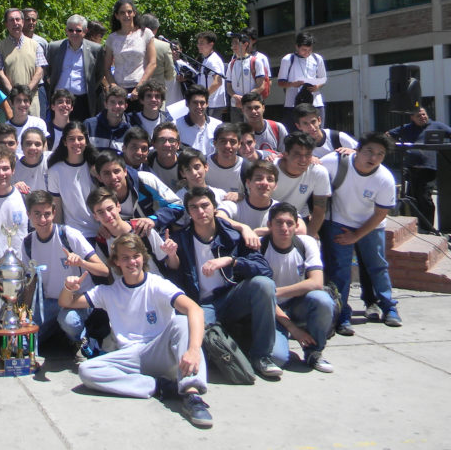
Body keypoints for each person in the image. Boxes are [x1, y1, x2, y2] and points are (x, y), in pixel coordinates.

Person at [63, 234, 212, 428]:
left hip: (162, 350)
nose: (132, 262)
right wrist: (69, 287)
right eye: (125, 257)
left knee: (183, 322)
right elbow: (66, 302)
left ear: (143, 257)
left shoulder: (158, 284)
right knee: (87, 370)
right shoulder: (108, 292)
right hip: (131, 356)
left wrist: (193, 350)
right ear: (116, 262)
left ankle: (192, 395)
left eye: (136, 256)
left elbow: (195, 309)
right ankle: (161, 387)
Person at [168, 187, 282, 379]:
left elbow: (265, 270)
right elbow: (174, 279)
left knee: (264, 285)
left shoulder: (233, 236)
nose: (200, 211)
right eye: (194, 207)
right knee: (199, 341)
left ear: (214, 208)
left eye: (205, 205)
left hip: (231, 297)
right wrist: (171, 256)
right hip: (201, 305)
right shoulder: (181, 239)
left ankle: (262, 356)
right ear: (188, 212)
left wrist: (232, 261)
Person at [320, 132, 402, 335]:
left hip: (370, 225)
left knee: (377, 266)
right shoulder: (335, 162)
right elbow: (313, 168)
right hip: (338, 222)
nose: (373, 158)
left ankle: (389, 307)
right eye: (369, 151)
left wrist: (356, 235)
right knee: (340, 270)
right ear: (357, 149)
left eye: (380, 154)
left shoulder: (385, 179)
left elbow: (380, 213)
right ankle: (341, 314)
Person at [22, 191, 109, 355]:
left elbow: (104, 271)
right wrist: (25, 313)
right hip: (49, 302)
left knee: (69, 322)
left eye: (47, 214)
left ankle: (82, 340)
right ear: (28, 214)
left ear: (54, 213)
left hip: (77, 299)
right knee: (20, 345)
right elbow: (31, 281)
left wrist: (81, 262)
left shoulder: (69, 235)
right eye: (37, 214)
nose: (42, 220)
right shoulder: (27, 243)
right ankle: (58, 333)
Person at [261, 203, 336, 372]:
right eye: (279, 222)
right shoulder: (259, 246)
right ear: (269, 225)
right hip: (270, 310)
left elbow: (316, 282)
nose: (284, 228)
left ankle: (313, 352)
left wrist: (276, 292)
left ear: (296, 225)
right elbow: (262, 298)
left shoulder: (306, 243)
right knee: (277, 359)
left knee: (322, 299)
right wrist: (293, 329)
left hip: (297, 305)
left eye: (289, 223)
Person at [387, 106, 451, 232]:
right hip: (411, 168)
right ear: (412, 118)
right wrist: (394, 143)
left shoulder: (437, 125)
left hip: (428, 168)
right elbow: (388, 135)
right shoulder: (407, 128)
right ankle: (416, 226)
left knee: (425, 197)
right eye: (419, 116)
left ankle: (428, 228)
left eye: (424, 114)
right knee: (412, 197)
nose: (422, 117)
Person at [86, 188, 176, 277]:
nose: (107, 215)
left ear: (118, 206)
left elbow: (173, 265)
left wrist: (172, 254)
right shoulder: (102, 243)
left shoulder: (143, 229)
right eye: (100, 212)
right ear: (95, 216)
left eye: (110, 209)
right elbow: (108, 275)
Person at [90, 151, 184, 233]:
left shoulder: (144, 180)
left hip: (157, 236)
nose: (113, 177)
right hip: (126, 246)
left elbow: (178, 205)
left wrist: (153, 220)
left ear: (125, 171)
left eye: (116, 171)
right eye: (106, 173)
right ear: (99, 177)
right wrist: (104, 227)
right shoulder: (99, 198)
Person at [272, 132, 331, 238]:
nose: (303, 160)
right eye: (297, 154)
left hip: (298, 219)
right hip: (269, 218)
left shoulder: (318, 172)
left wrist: (311, 235)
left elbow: (320, 209)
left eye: (308, 154)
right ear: (285, 154)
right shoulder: (270, 170)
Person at [46, 14, 104, 121]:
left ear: (85, 31)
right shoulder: (54, 47)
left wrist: (90, 87)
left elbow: (99, 74)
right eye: (70, 30)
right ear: (66, 31)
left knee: (79, 134)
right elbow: (48, 70)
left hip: (82, 101)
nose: (74, 33)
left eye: (78, 30)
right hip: (59, 99)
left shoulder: (96, 50)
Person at [47, 122, 100, 239]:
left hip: (99, 233)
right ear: (65, 142)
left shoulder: (96, 168)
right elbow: (57, 208)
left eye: (80, 138)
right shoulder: (55, 171)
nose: (76, 143)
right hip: (73, 235)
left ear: (86, 141)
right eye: (71, 139)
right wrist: (59, 237)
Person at [0, 8, 46, 117]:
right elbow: (0, 72)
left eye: (18, 19)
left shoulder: (36, 45)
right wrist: (14, 93)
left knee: (34, 132)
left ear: (22, 22)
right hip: (11, 100)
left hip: (32, 98)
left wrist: (27, 90)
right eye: (11, 20)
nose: (15, 23)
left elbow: (39, 70)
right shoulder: (0, 47)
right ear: (6, 24)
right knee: (11, 133)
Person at [103, 0, 156, 105]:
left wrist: (139, 87)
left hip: (140, 88)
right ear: (117, 16)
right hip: (119, 89)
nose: (126, 15)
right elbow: (106, 67)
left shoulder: (145, 33)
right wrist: (113, 86)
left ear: (134, 13)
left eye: (129, 12)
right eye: (122, 13)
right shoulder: (112, 38)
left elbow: (152, 63)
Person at [0, 145, 28, 262]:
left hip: (23, 272)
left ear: (13, 170)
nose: (1, 173)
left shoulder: (24, 197)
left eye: (5, 168)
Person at [279, 32, 327, 128]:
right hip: (293, 103)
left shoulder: (317, 58)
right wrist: (293, 84)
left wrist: (317, 86)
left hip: (315, 102)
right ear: (297, 47)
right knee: (295, 134)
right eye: (304, 50)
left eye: (310, 50)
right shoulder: (288, 59)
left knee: (317, 131)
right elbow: (280, 83)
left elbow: (323, 79)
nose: (307, 52)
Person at [225, 33, 268, 116]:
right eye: (232, 43)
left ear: (245, 44)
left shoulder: (256, 61)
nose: (233, 46)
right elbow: (229, 86)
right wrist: (235, 96)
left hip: (251, 106)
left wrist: (246, 99)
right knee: (236, 128)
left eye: (236, 43)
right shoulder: (231, 63)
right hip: (236, 105)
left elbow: (261, 86)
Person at [174, 84, 221, 155]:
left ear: (207, 104)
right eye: (195, 103)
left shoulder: (217, 125)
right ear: (187, 104)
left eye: (202, 103)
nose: (199, 106)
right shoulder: (176, 125)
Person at [204, 123, 247, 198]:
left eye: (232, 142)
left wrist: (242, 196)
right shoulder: (203, 164)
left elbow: (255, 196)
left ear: (239, 144)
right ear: (215, 143)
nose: (227, 146)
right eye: (223, 141)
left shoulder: (246, 168)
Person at [83, 85, 130, 152]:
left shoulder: (129, 131)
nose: (116, 106)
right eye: (112, 102)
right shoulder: (89, 125)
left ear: (125, 106)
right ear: (105, 104)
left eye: (120, 103)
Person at [6, 85, 49, 155]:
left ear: (30, 103)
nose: (22, 104)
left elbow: (44, 149)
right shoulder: (6, 127)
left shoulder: (39, 123)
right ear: (11, 103)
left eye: (26, 101)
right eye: (18, 100)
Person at [193, 32, 226, 121]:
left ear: (211, 44)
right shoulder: (206, 59)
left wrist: (204, 96)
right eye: (198, 43)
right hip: (209, 102)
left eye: (202, 43)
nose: (199, 45)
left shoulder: (213, 60)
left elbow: (218, 82)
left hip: (213, 103)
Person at [141, 14, 175, 92]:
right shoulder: (164, 46)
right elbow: (170, 76)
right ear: (156, 29)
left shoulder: (131, 44)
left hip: (136, 92)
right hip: (157, 94)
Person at [149, 122, 183, 192]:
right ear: (154, 144)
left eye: (171, 140)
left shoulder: (186, 164)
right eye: (162, 140)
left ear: (178, 144)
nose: (167, 144)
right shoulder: (147, 162)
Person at [13, 127, 49, 194]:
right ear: (21, 146)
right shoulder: (14, 170)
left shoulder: (50, 161)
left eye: (37, 144)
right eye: (28, 143)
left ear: (43, 146)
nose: (32, 147)